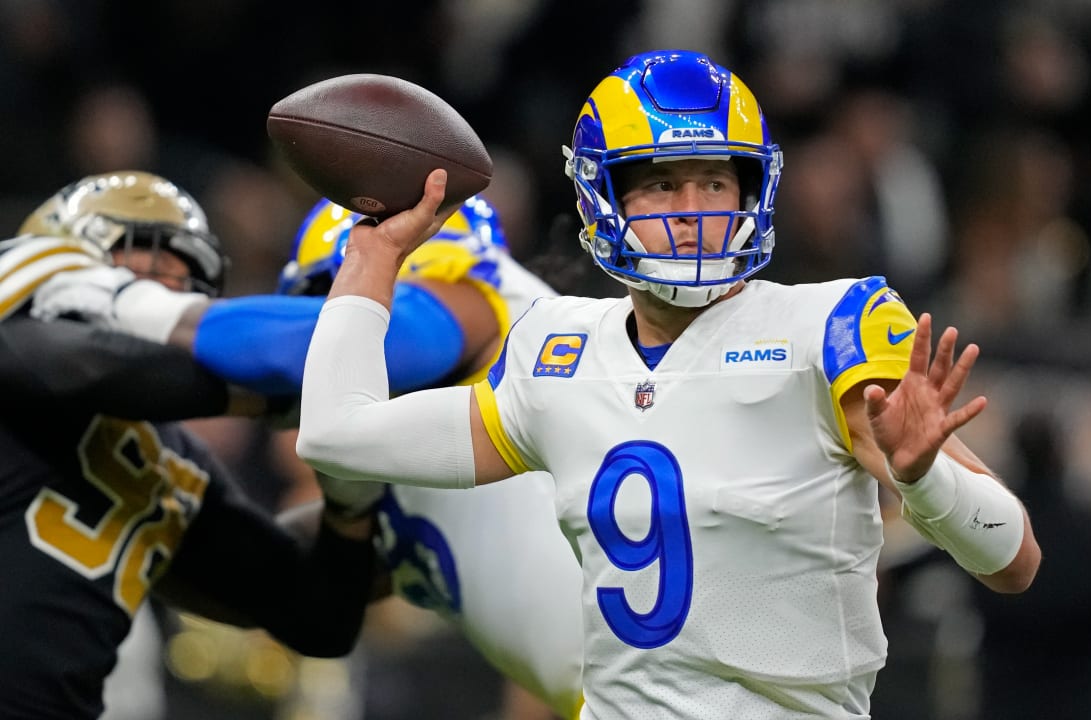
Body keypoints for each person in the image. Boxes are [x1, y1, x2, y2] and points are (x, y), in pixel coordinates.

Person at [293, 49, 1042, 719]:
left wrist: (925, 480)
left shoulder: (830, 326)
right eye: (660, 187)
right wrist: (371, 259)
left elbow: (1013, 560)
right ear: (601, 199)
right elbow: (337, 432)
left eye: (715, 181)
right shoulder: (558, 348)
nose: (692, 215)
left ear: (750, 189)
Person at [32, 193, 586, 719]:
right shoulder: (414, 463)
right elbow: (287, 588)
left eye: (340, 295)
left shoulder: (498, 313)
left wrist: (127, 306)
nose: (336, 327)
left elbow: (331, 348)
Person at [0, 170, 377, 720]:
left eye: (187, 280)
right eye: (146, 263)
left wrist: (352, 498)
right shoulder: (20, 338)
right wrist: (285, 391)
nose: (169, 291)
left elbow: (318, 618)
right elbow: (85, 366)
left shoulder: (166, 464)